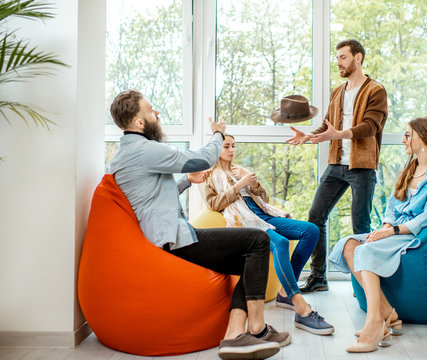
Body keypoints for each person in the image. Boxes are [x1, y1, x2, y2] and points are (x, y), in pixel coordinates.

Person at [107, 89, 290, 360]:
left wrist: (185, 181)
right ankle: (258, 328)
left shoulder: (127, 153)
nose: (156, 113)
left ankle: (234, 336)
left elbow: (151, 195)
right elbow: (202, 159)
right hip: (172, 241)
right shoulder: (144, 149)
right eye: (150, 110)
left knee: (247, 263)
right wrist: (218, 134)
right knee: (258, 241)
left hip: (169, 236)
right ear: (139, 123)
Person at [328, 117, 427, 353]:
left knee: (365, 249)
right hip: (394, 231)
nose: (403, 140)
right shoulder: (410, 168)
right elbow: (392, 207)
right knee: (349, 244)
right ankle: (389, 314)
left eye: (408, 135)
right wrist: (384, 228)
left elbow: (426, 218)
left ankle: (375, 322)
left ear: (424, 138)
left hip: (415, 236)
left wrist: (392, 231)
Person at [204, 132, 335, 336]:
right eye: (226, 146)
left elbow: (264, 198)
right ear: (216, 149)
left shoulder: (240, 171)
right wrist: (239, 185)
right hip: (244, 221)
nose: (231, 150)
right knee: (280, 243)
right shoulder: (211, 175)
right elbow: (213, 203)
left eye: (233, 146)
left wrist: (252, 183)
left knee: (311, 230)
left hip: (263, 215)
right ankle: (298, 303)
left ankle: (284, 292)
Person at [286, 39, 388, 293]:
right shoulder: (337, 92)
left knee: (360, 227)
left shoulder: (376, 90)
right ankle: (319, 277)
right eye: (338, 58)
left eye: (343, 57)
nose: (338, 62)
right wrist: (309, 136)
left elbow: (370, 127)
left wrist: (338, 135)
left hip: (362, 167)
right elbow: (328, 125)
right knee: (315, 217)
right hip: (336, 165)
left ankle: (364, 285)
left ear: (358, 58)